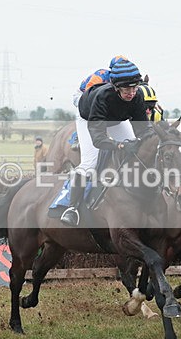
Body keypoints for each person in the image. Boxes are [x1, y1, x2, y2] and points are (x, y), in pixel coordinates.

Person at [60, 58, 153, 226]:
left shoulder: (137, 96)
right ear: (116, 87)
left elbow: (144, 130)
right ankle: (72, 208)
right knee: (90, 162)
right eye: (126, 89)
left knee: (135, 146)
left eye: (134, 88)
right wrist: (120, 145)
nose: (131, 93)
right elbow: (98, 138)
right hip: (88, 116)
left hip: (116, 118)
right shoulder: (102, 96)